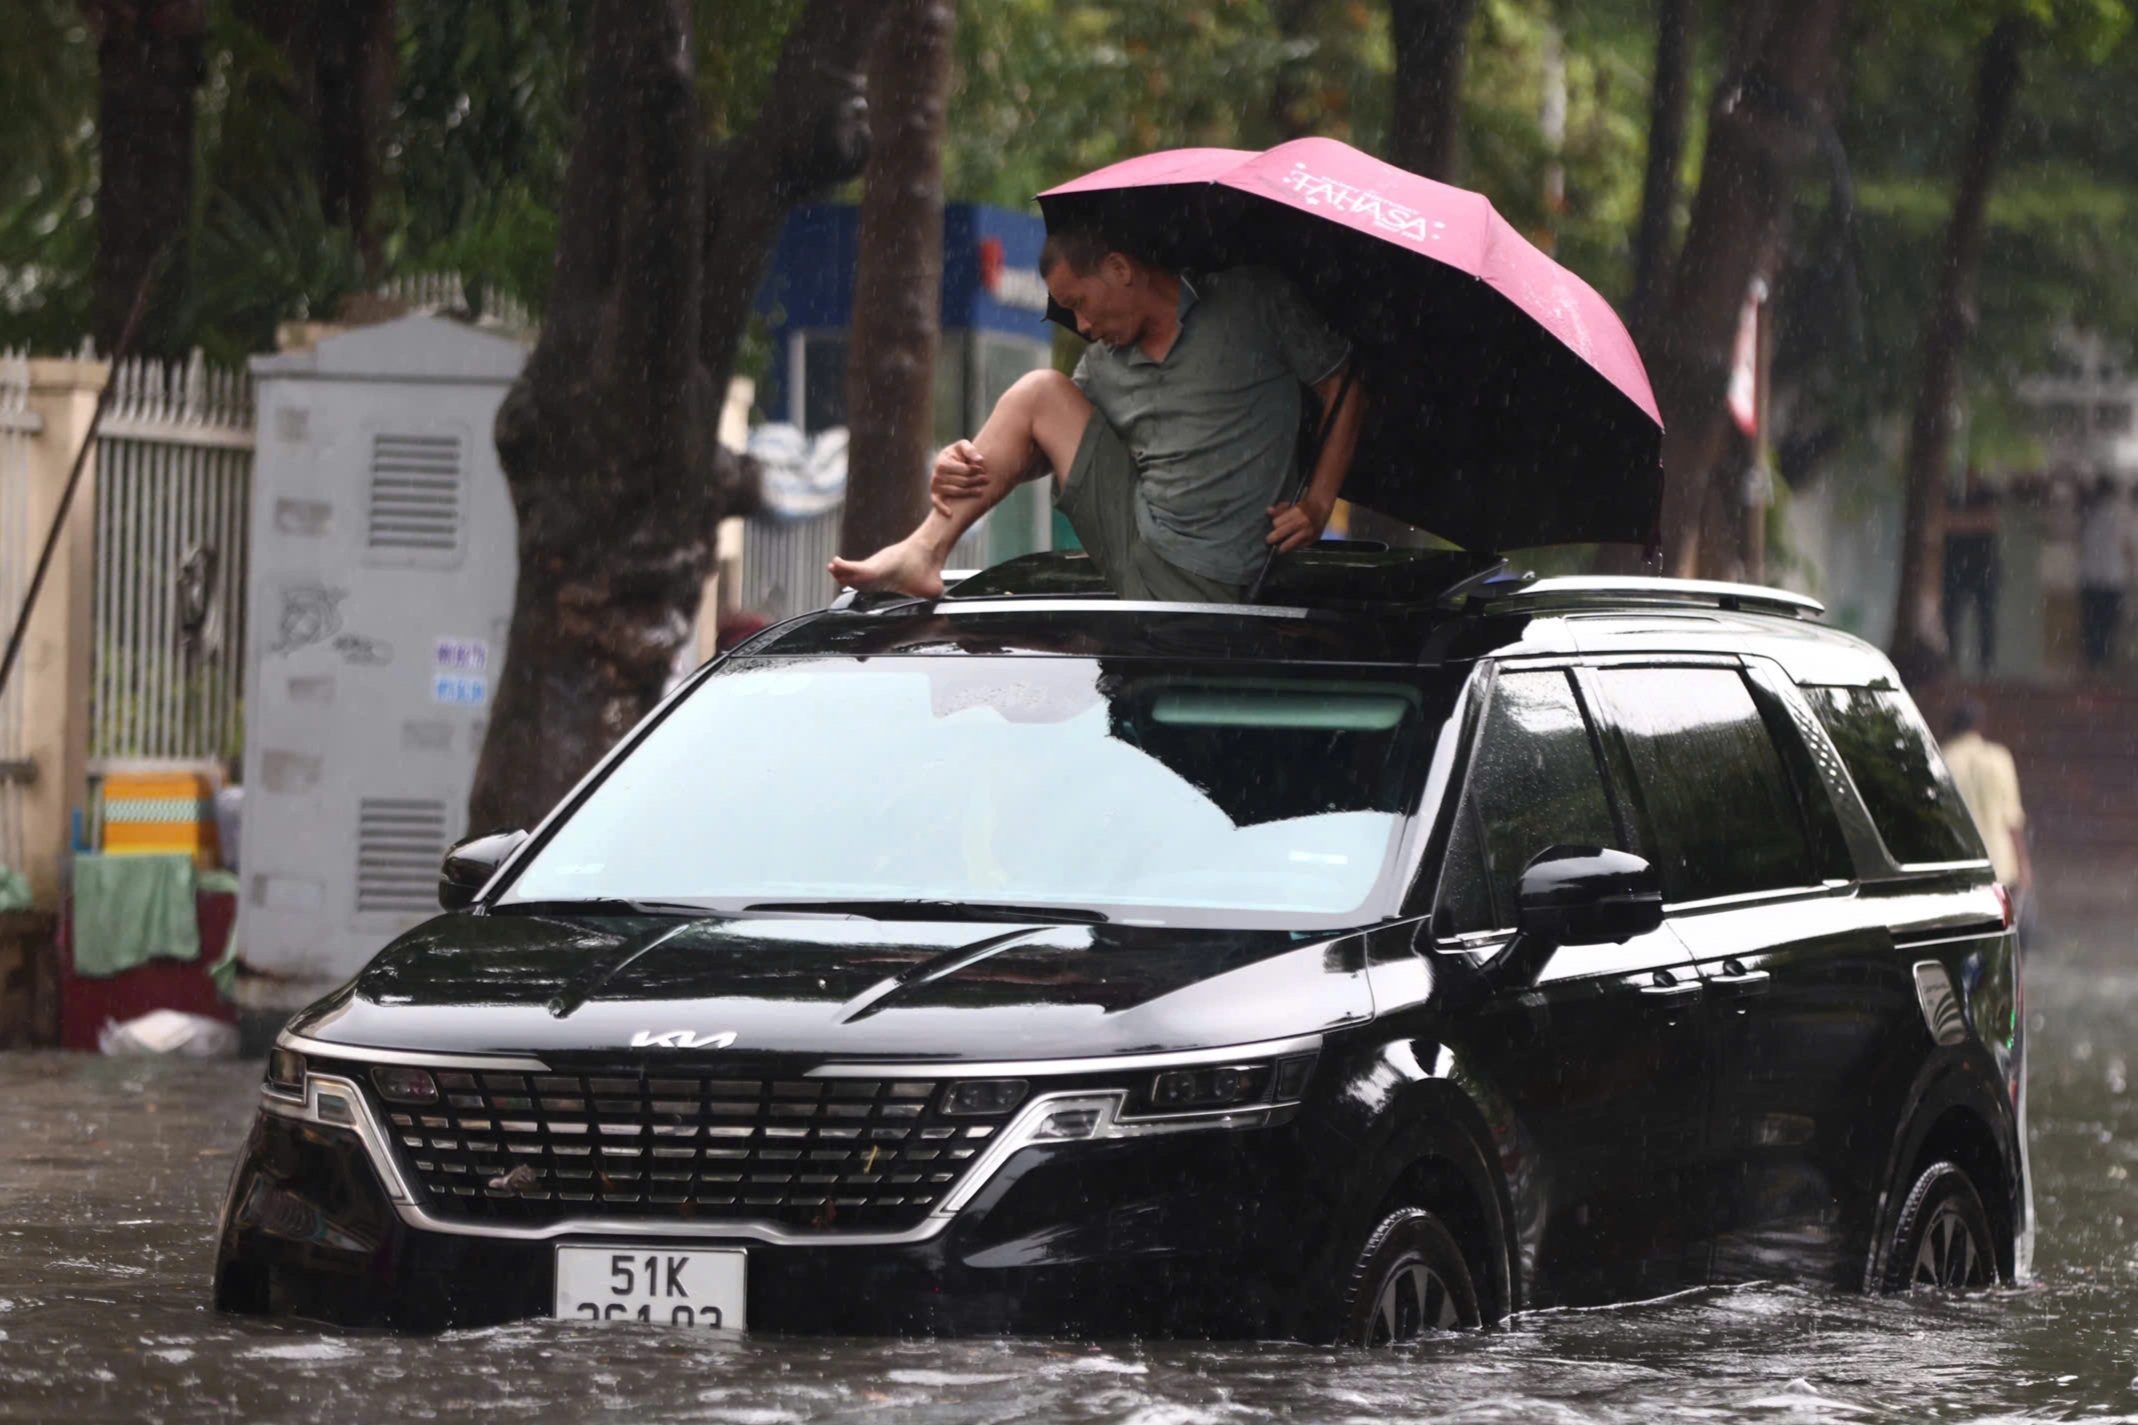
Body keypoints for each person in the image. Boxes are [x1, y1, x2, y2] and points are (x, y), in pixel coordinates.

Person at [829, 224, 1364, 602]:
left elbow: (1344, 385)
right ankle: (924, 550)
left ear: (1118, 268)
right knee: (1040, 391)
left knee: (1042, 391)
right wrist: (961, 463)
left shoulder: (1252, 303)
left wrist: (1318, 503)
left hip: (1226, 575)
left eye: (1079, 302)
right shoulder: (1103, 366)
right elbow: (1039, 449)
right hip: (1134, 546)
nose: (1080, 325)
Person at [1942, 698, 2031, 918]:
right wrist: (2024, 865)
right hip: (1998, 864)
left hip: (1958, 865)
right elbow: (2012, 818)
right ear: (1980, 725)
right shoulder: (1999, 757)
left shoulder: (1942, 758)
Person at [1941, 470, 2000, 676]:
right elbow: (1942, 521)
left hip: (1982, 567)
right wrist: (1969, 523)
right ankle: (1952, 662)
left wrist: (1959, 523)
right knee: (1951, 617)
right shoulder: (1953, 496)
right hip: (1956, 567)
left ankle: (1986, 664)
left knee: (1985, 617)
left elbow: (1990, 520)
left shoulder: (1987, 496)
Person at [2077, 474, 2134, 672]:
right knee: (2108, 625)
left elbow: (2081, 543)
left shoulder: (2088, 513)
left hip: (2092, 577)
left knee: (2092, 625)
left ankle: (2094, 664)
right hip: (2111, 578)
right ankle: (2102, 665)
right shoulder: (2122, 515)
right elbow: (2128, 548)